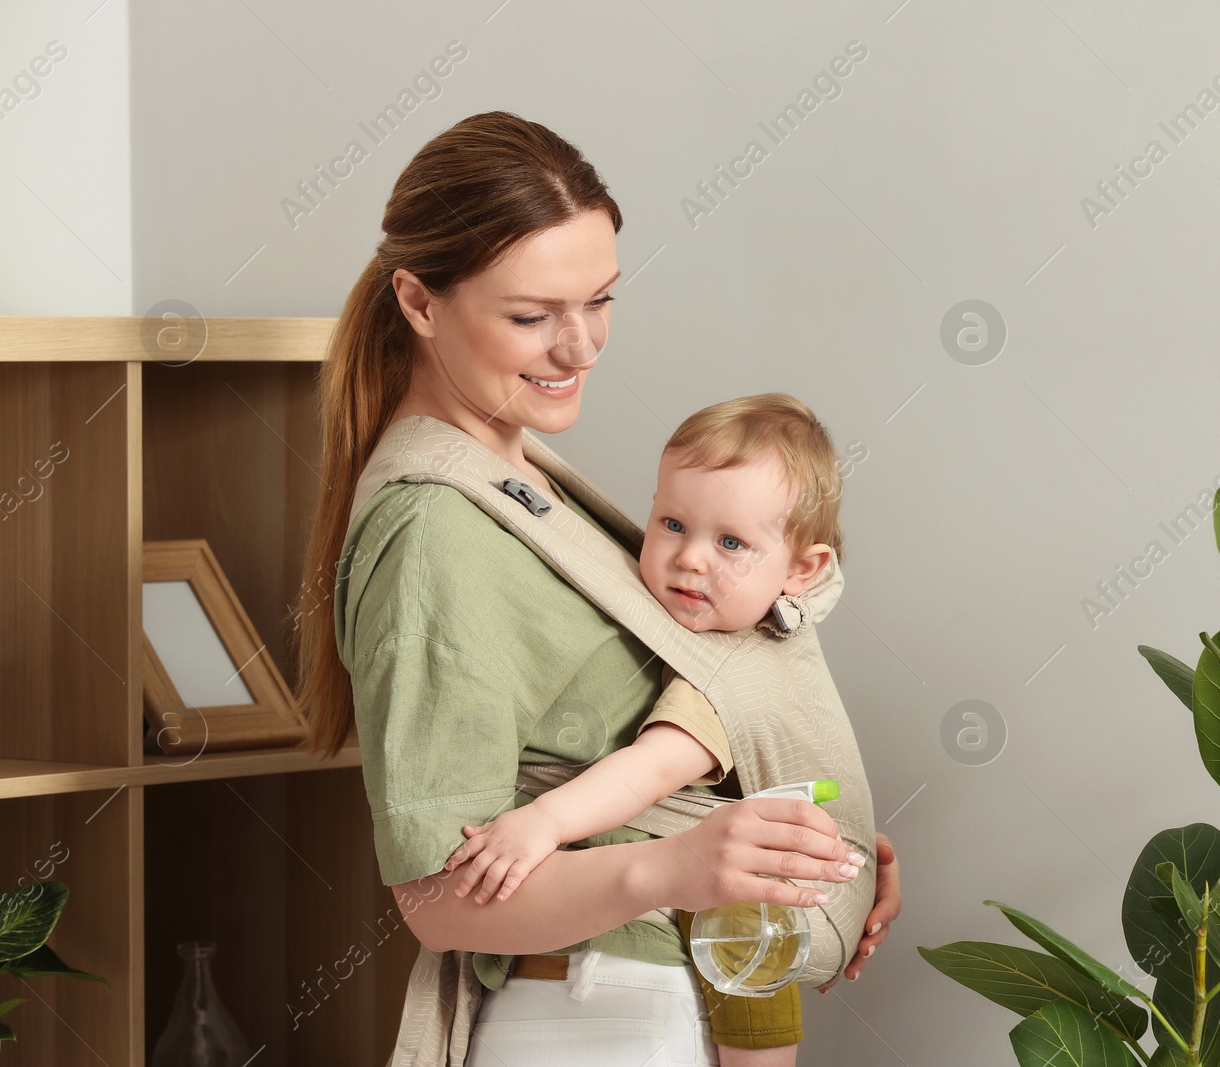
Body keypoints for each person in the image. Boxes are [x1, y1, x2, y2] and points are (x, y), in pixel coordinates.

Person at [294, 110, 901, 1066]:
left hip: (663, 998)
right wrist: (680, 862)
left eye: (602, 300)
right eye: (533, 316)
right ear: (418, 302)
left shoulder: (524, 486)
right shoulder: (434, 531)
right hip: (603, 1020)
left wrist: (798, 853)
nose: (582, 348)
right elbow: (439, 903)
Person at [441, 392, 857, 1066]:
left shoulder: (731, 668)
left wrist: (542, 821)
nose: (690, 557)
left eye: (730, 542)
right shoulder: (692, 629)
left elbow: (652, 767)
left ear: (800, 570)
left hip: (732, 912)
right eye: (671, 523)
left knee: (752, 953)